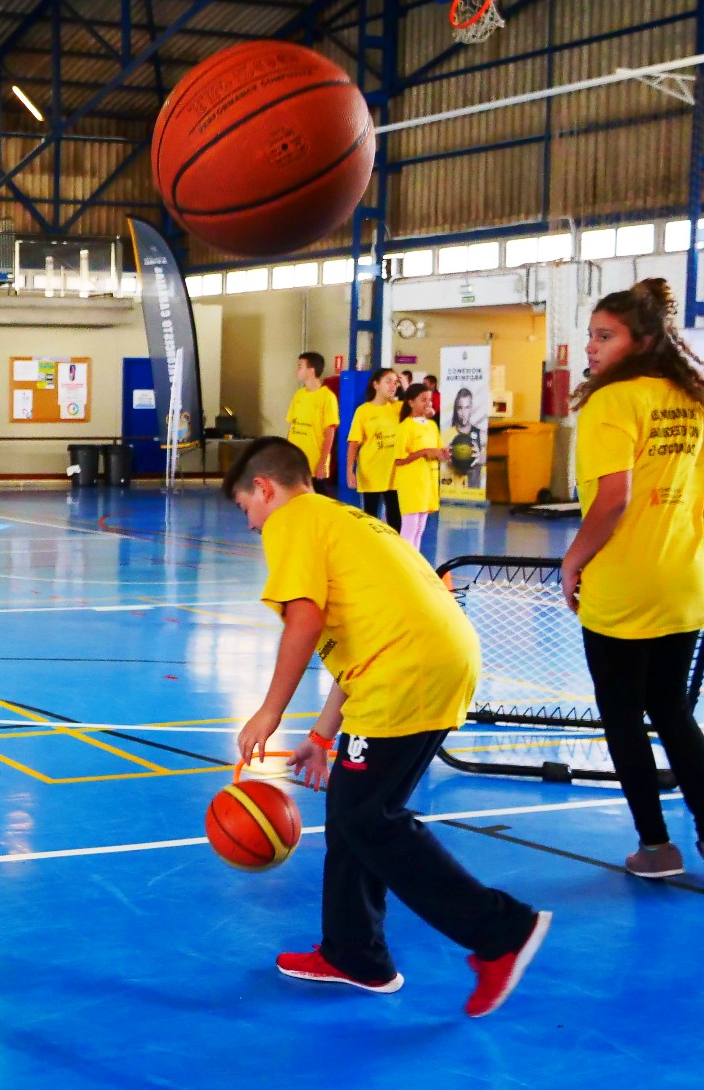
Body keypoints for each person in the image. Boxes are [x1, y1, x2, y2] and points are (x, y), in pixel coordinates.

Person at [228, 436, 549, 1017]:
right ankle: (355, 955)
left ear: (265, 489)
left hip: (407, 670)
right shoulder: (343, 520)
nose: (250, 523)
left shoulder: (292, 521)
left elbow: (305, 618)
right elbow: (358, 639)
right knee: (351, 812)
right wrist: (322, 736)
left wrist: (269, 710)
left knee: (368, 817)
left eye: (245, 507)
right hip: (428, 660)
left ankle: (503, 931)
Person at [560, 277, 704, 879]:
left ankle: (656, 847)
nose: (590, 347)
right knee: (672, 711)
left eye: (604, 336)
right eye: (591, 335)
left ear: (642, 341)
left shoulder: (612, 402)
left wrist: (573, 560)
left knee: (623, 719)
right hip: (683, 586)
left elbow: (613, 498)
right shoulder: (693, 401)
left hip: (622, 587)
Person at [346, 370, 403, 529]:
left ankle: (393, 544)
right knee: (370, 516)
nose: (393, 386)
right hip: (371, 472)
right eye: (388, 381)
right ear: (376, 384)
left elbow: (418, 407)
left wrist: (406, 386)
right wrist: (349, 470)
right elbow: (354, 443)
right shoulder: (363, 411)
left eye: (395, 382)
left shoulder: (399, 408)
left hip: (394, 472)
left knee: (395, 515)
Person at [392, 384, 443, 553]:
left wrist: (443, 454)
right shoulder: (405, 427)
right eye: (423, 400)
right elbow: (399, 459)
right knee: (410, 528)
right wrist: (423, 452)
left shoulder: (432, 426)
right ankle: (404, 561)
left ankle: (414, 561)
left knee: (420, 529)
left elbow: (437, 450)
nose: (428, 403)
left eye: (430, 400)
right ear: (411, 402)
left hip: (427, 483)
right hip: (412, 484)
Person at [285, 351, 339, 494]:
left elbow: (330, 432)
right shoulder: (299, 395)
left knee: (317, 500)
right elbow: (292, 427)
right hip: (297, 462)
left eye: (300, 366)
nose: (297, 370)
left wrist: (322, 462)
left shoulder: (327, 397)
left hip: (314, 463)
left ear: (311, 370)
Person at [449, 385, 485, 490]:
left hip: (473, 493)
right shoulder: (447, 435)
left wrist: (480, 458)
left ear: (471, 408)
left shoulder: (481, 434)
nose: (463, 413)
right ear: (456, 409)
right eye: (460, 408)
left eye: (467, 407)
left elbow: (487, 459)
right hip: (452, 492)